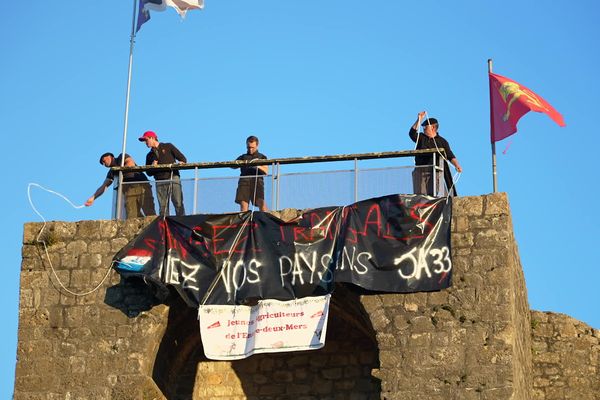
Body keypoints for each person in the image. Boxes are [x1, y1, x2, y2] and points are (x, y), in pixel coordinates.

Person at [85, 152, 156, 218]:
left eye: (104, 161)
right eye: (102, 164)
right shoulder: (112, 172)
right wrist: (93, 198)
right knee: (131, 215)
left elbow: (130, 163)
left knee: (149, 211)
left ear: (110, 157)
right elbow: (104, 186)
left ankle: (156, 229)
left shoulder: (121, 157)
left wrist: (120, 173)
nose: (104, 164)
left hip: (141, 185)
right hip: (129, 191)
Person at [409, 111, 462, 196]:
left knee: (433, 195)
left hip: (435, 172)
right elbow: (411, 133)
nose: (423, 128)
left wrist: (457, 165)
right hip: (420, 171)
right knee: (420, 196)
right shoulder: (421, 137)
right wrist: (419, 119)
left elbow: (450, 155)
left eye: (425, 126)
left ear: (433, 127)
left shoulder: (442, 141)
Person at [139, 130, 187, 216]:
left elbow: (183, 158)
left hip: (173, 177)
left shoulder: (168, 146)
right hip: (160, 181)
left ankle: (182, 222)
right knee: (163, 207)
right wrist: (152, 167)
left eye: (146, 140)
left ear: (152, 138)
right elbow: (148, 173)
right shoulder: (149, 156)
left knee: (178, 202)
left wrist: (180, 163)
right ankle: (165, 226)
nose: (145, 143)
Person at [234, 135, 269, 212]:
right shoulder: (242, 157)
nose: (250, 149)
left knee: (261, 203)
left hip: (257, 182)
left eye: (252, 147)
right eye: (248, 147)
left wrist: (257, 166)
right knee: (244, 205)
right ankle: (244, 222)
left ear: (257, 145)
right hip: (244, 182)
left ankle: (267, 220)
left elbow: (266, 171)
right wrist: (240, 163)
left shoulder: (262, 157)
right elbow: (232, 166)